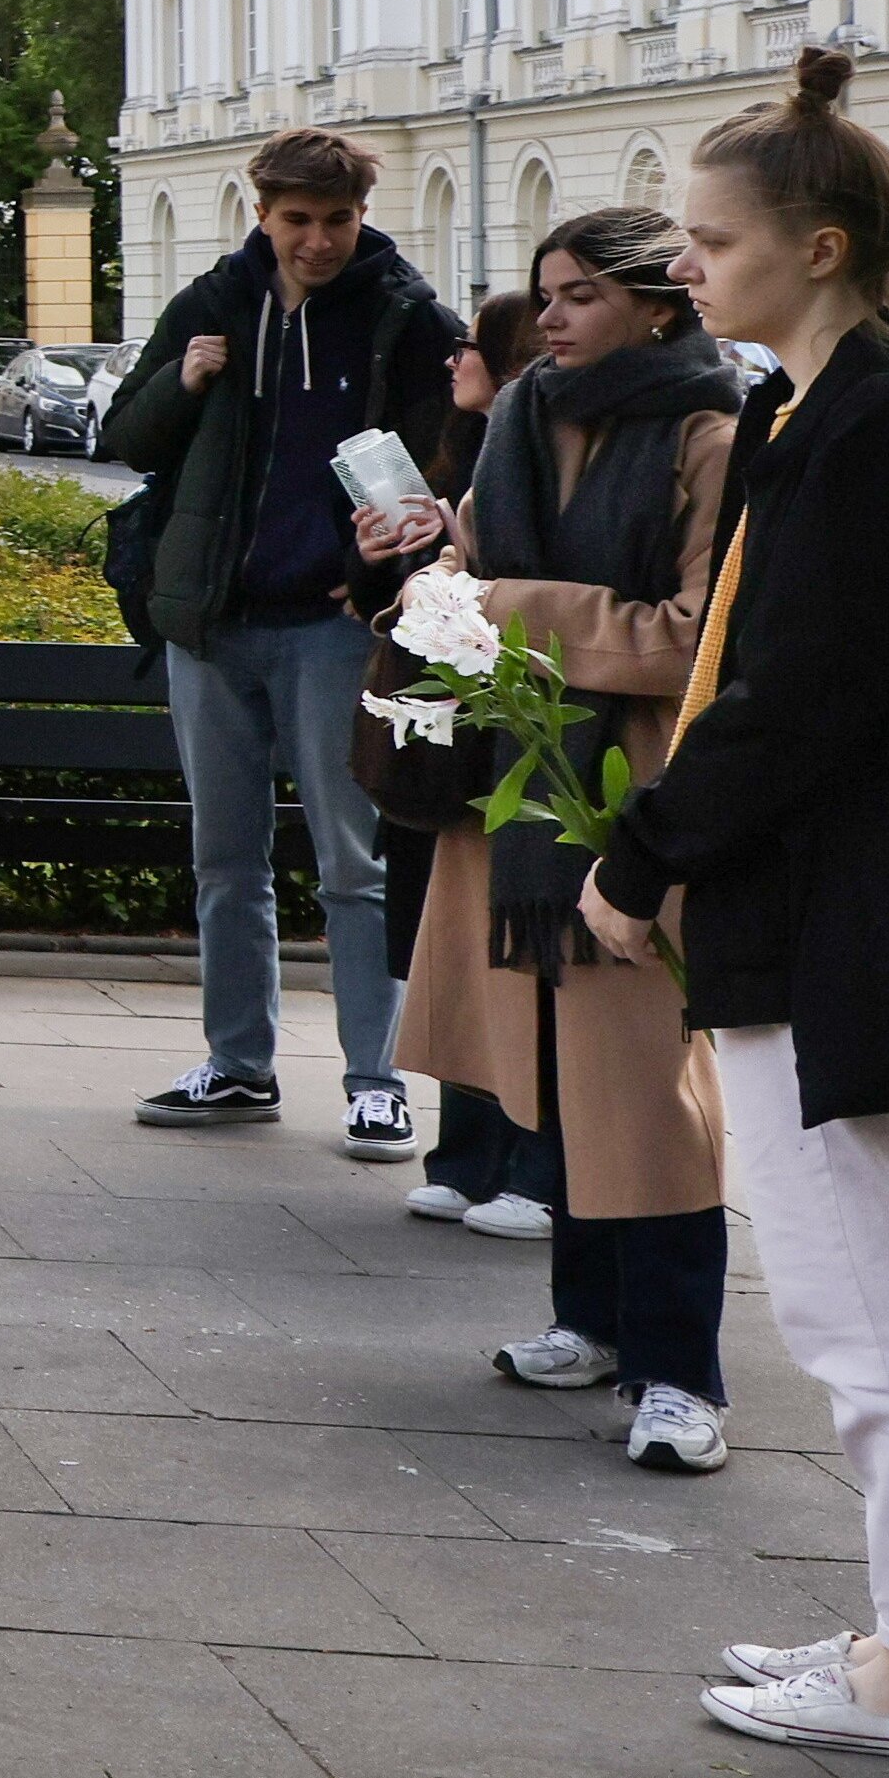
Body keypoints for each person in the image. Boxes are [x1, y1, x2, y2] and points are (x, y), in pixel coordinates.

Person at [583, 52, 889, 1765]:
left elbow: (795, 694)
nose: (686, 266)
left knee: (868, 1307)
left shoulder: (873, 422)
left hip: (843, 913)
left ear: (818, 239)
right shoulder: (846, 408)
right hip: (835, 904)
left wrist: (639, 850)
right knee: (867, 1293)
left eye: (710, 239)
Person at [360, 212, 741, 1473]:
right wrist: (417, 562)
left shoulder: (709, 432)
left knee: (647, 1094)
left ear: (658, 305)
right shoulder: (521, 418)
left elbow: (693, 632)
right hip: (514, 795)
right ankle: (588, 1317)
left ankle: (683, 1369)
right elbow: (462, 570)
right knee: (554, 1067)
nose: (554, 314)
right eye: (546, 292)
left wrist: (502, 608)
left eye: (582, 293)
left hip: (632, 795)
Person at [99, 127, 465, 1155]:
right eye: (297, 220)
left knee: (354, 863)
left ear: (360, 214)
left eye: (336, 220)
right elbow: (127, 437)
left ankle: (375, 1078)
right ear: (260, 211)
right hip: (216, 624)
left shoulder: (403, 315)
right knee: (225, 858)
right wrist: (187, 378)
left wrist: (387, 579)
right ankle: (238, 1065)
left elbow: (448, 461)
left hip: (333, 628)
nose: (317, 241)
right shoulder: (216, 304)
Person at [394, 289, 558, 1235]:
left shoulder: (535, 451)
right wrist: (407, 565)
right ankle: (466, 1153)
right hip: (464, 738)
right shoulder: (473, 451)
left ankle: (532, 1168)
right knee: (463, 951)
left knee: (528, 956)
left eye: (475, 345)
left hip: (530, 732)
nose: (456, 357)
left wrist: (459, 578)